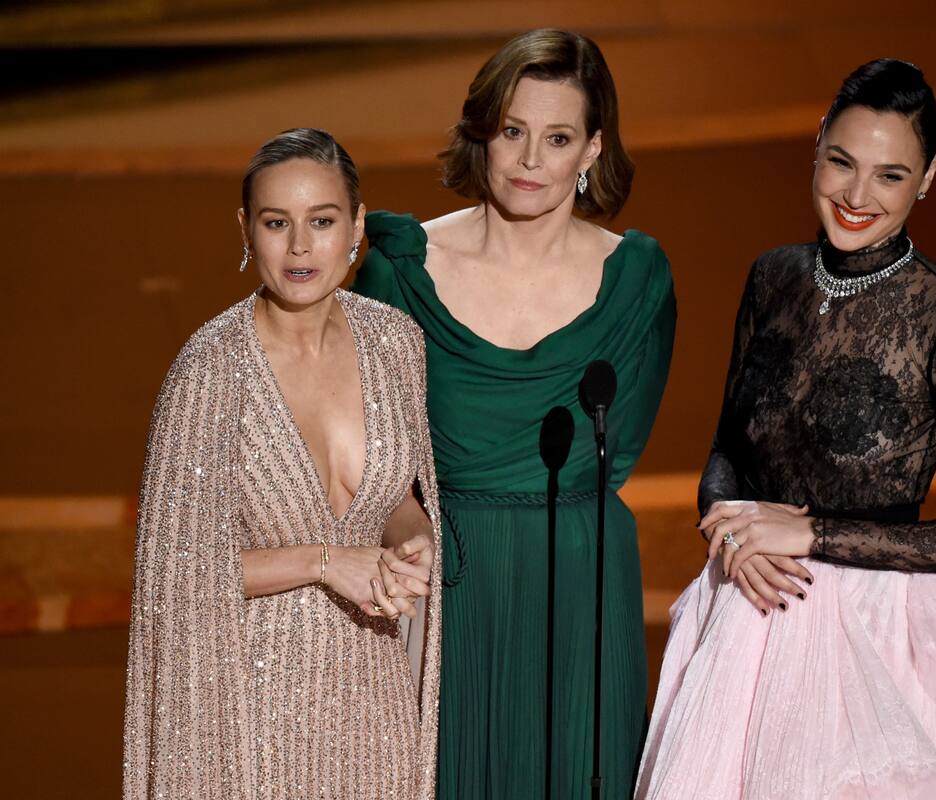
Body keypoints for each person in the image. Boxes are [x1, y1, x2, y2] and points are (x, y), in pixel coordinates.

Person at [636, 60, 936, 799]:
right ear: (818, 146)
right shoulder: (773, 277)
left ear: (927, 178)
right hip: (746, 611)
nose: (858, 197)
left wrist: (811, 536)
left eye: (890, 176)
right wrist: (727, 528)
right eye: (842, 163)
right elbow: (729, 445)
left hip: (878, 636)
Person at [352, 29, 675, 800]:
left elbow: (616, 453)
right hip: (443, 584)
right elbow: (365, 461)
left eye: (557, 137)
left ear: (592, 149)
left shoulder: (638, 282)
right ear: (482, 133)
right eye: (513, 131)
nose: (531, 161)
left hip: (581, 582)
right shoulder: (396, 271)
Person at [123, 128, 442, 800]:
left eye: (322, 221)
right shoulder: (209, 372)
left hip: (372, 703)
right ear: (247, 230)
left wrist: (411, 538)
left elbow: (396, 495)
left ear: (356, 226)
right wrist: (325, 562)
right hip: (249, 716)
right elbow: (172, 572)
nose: (300, 247)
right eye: (277, 223)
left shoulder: (395, 344)